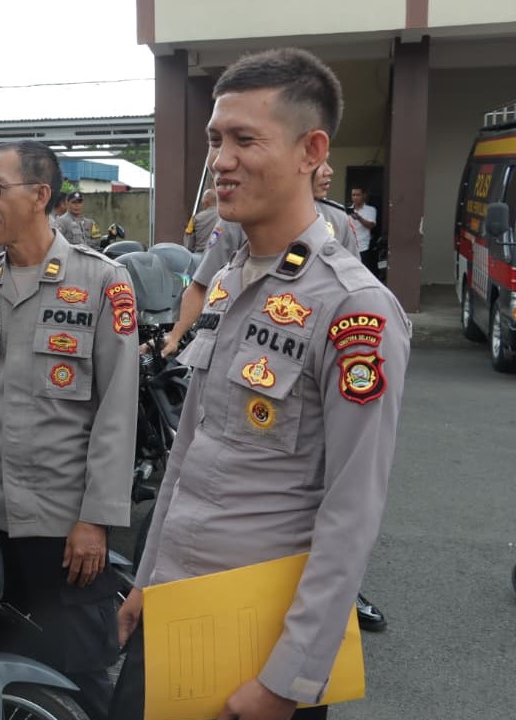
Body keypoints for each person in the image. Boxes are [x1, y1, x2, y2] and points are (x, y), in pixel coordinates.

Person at [110, 48, 410, 720]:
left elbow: (352, 510)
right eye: (217, 139)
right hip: (175, 607)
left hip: (257, 640)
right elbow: (186, 454)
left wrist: (287, 680)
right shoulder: (227, 279)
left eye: (246, 139)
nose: (221, 159)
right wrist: (146, 581)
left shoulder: (353, 309)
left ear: (312, 150)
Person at [0, 140, 139, 719]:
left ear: (40, 196)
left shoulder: (102, 282)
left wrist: (96, 519)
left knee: (77, 678)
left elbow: (116, 410)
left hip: (63, 527)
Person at [160, 158, 359, 358]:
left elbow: (353, 294)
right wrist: (175, 335)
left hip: (312, 346)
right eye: (319, 164)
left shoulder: (339, 221)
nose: (328, 171)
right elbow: (201, 284)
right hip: (246, 345)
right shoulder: (240, 217)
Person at [350, 186, 378, 273]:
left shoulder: (370, 210)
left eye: (358, 195)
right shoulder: (348, 209)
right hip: (348, 246)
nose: (355, 197)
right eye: (353, 195)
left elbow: (371, 225)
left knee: (362, 271)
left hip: (363, 246)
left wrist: (359, 218)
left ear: (364, 196)